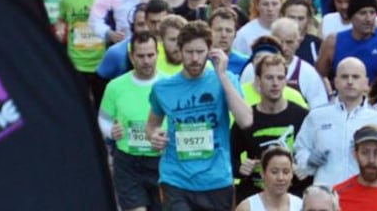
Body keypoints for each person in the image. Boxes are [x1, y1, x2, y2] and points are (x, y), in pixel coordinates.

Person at [145, 21, 253, 209]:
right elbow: (151, 126)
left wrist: (222, 75)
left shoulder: (225, 80)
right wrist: (153, 136)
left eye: (200, 52)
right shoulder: (163, 88)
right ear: (179, 50)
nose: (194, 58)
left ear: (210, 51)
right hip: (176, 179)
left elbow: (246, 120)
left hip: (216, 180)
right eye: (189, 52)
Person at [294, 58, 377, 187]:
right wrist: (308, 161)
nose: (350, 82)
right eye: (344, 77)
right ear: (335, 82)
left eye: (356, 77)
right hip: (327, 195)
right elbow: (300, 148)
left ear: (366, 83)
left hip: (365, 195)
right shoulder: (317, 116)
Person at [232, 53, 311, 202]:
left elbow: (317, 154)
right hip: (254, 195)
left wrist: (306, 168)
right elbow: (229, 155)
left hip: (294, 196)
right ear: (258, 81)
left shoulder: (302, 116)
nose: (275, 83)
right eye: (269, 78)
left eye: (280, 78)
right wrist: (240, 168)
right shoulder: (247, 117)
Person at [98, 31, 163, 211]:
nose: (146, 60)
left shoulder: (169, 84)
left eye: (150, 55)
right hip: (128, 162)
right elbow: (103, 119)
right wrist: (111, 131)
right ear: (131, 57)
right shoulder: (115, 86)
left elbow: (180, 123)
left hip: (161, 161)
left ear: (158, 54)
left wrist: (168, 139)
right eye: (141, 56)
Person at [235, 147, 305, 211]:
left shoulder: (300, 206)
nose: (280, 178)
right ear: (262, 173)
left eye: (286, 172)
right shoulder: (247, 207)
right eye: (274, 172)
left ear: (292, 174)